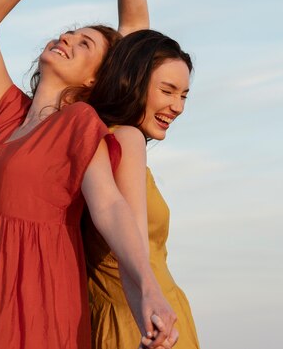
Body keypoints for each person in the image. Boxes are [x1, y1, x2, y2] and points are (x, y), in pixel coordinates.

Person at [0, 0, 176, 348]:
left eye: (84, 43)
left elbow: (110, 206)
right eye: (69, 34)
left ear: (96, 78)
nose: (67, 40)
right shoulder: (7, 115)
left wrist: (147, 287)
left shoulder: (81, 123)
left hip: (36, 300)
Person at [83, 29, 201, 348]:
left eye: (184, 95)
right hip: (146, 320)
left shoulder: (86, 136)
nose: (177, 106)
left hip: (135, 315)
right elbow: (132, 244)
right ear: (133, 81)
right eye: (167, 91)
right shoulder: (125, 139)